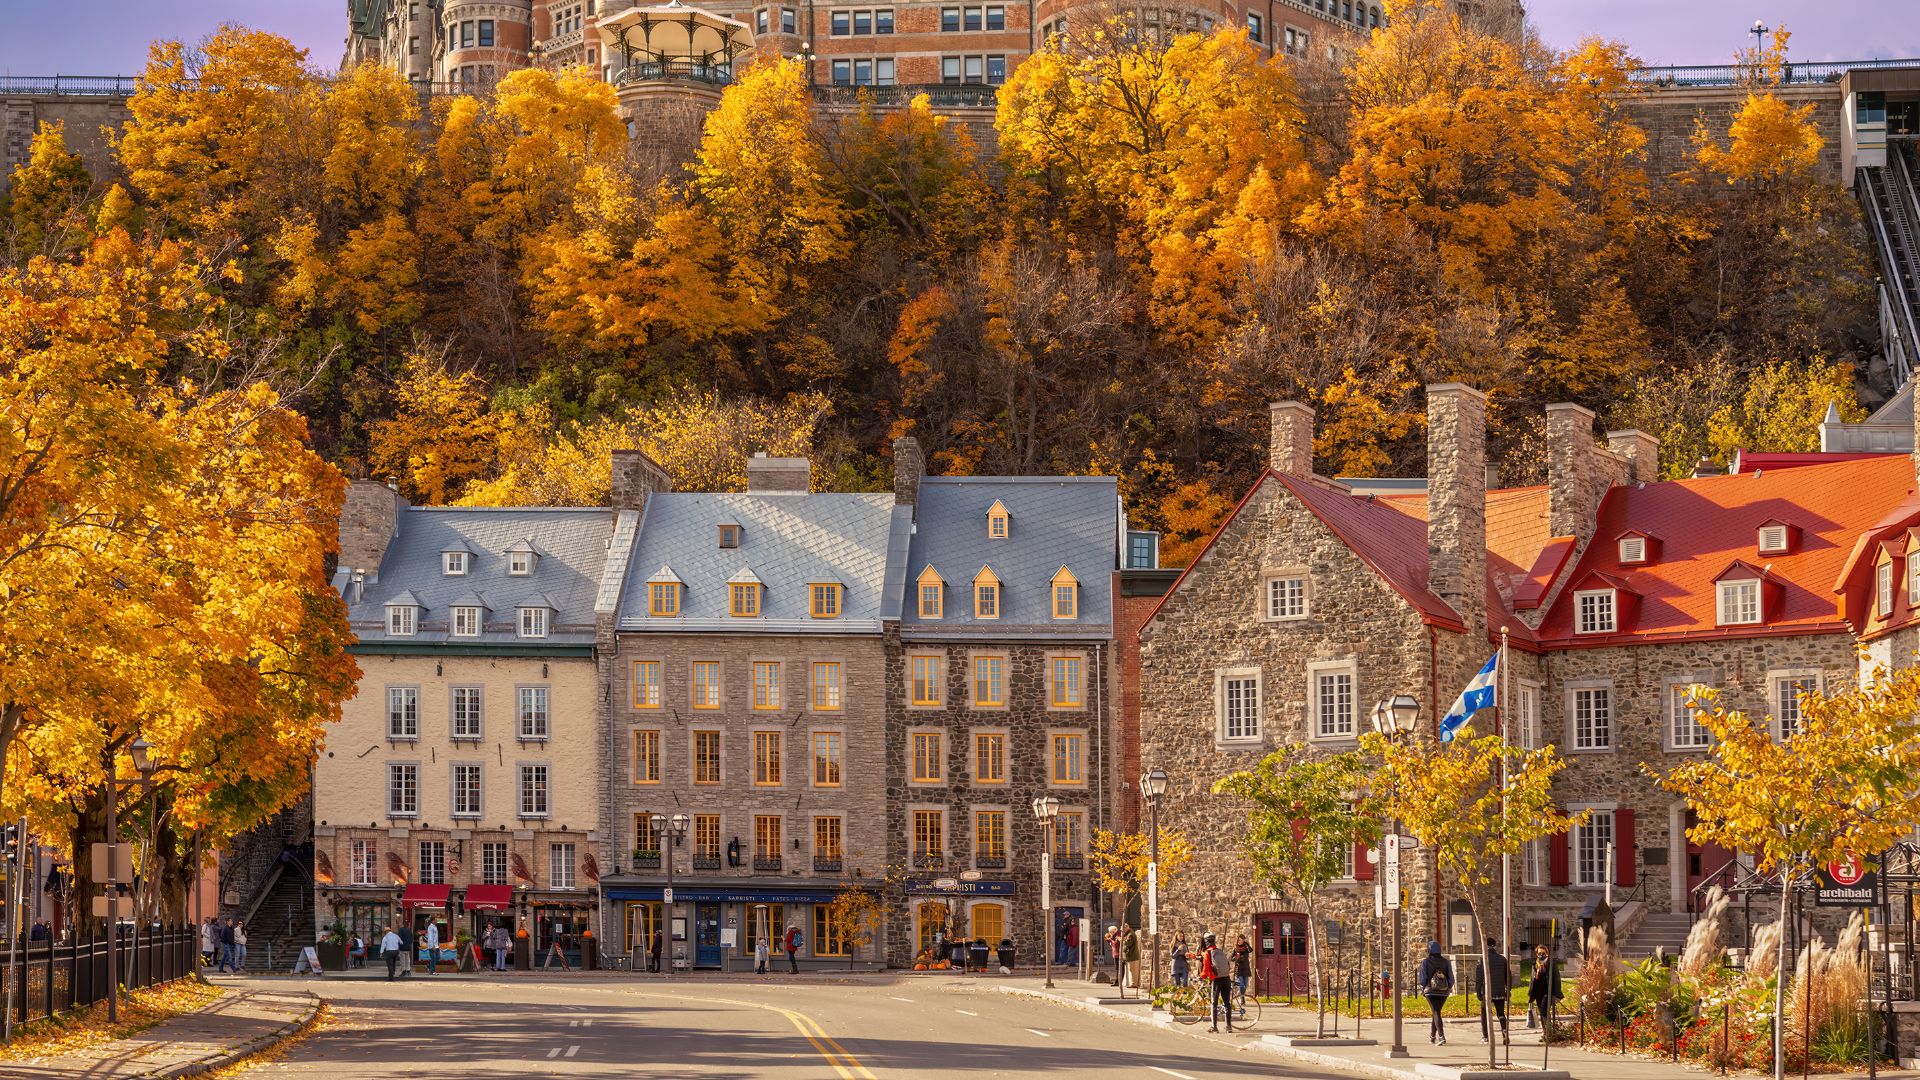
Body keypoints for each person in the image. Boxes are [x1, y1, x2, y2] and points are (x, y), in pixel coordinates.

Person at [1475, 938, 1512, 1044]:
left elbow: (1479, 977)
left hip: (1487, 992)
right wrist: (1508, 990)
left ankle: (1485, 1036)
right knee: (1501, 1014)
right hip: (1500, 990)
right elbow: (1508, 977)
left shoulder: (1482, 959)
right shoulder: (1502, 959)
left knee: (1485, 1014)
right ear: (1494, 946)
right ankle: (1505, 1032)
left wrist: (1478, 992)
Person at [1419, 941, 1455, 1045]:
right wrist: (1448, 987)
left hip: (1430, 991)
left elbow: (1423, 979)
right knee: (1436, 1012)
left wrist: (1424, 988)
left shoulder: (1426, 962)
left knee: (1436, 1012)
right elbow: (1451, 979)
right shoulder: (1445, 962)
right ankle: (1432, 1036)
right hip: (1443, 992)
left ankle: (1441, 1036)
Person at [1201, 932, 1235, 1033]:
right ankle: (1229, 1026)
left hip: (1216, 980)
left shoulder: (1208, 952)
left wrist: (1201, 977)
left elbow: (1206, 968)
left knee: (1214, 1003)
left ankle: (1214, 1027)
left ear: (1206, 942)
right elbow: (1227, 965)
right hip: (1226, 978)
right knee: (1227, 1003)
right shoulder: (1220, 951)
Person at [1527, 943, 1561, 1030]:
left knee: (1544, 1011)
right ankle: (1546, 1033)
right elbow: (1532, 978)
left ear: (1547, 953)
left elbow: (1557, 978)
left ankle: (1549, 1033)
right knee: (1542, 1012)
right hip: (1538, 992)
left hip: (1548, 991)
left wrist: (1556, 994)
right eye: (1539, 953)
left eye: (1543, 953)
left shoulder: (1551, 963)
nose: (1541, 954)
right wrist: (1530, 992)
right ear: (1536, 954)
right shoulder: (1535, 964)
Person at [1231, 934, 1253, 1014]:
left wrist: (1246, 944)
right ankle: (1242, 998)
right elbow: (1231, 958)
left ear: (1243, 940)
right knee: (1242, 984)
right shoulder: (1236, 948)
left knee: (1246, 985)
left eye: (1240, 940)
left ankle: (1242, 996)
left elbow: (1251, 950)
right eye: (1238, 940)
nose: (1239, 941)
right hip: (1239, 969)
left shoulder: (1246, 948)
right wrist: (1236, 957)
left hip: (1246, 968)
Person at [1120, 922, 1141, 990]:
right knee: (1130, 970)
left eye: (1123, 930)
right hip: (1130, 955)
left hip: (1132, 955)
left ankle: (1134, 983)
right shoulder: (1128, 934)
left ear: (1126, 928)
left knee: (1132, 970)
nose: (1122, 931)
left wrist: (1121, 940)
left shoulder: (1131, 934)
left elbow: (1128, 943)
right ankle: (1131, 983)